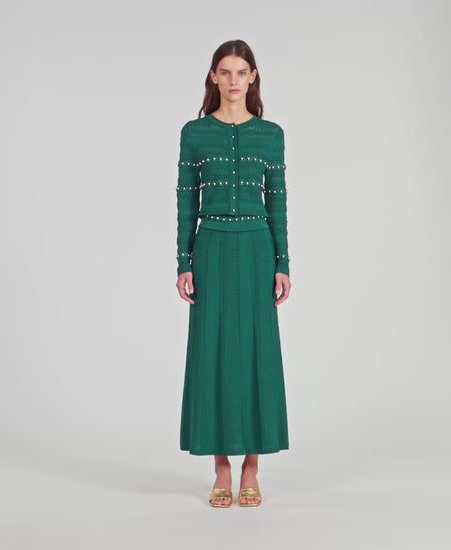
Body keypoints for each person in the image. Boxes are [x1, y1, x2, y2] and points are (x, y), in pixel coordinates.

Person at [175, 39, 291, 508]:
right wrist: (183, 261)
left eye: (241, 72)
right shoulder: (194, 132)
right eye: (225, 72)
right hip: (211, 249)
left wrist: (283, 263)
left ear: (253, 77)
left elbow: (277, 202)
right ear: (213, 77)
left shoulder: (271, 134)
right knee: (212, 354)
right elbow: (186, 200)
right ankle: (221, 467)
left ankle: (252, 468)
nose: (233, 80)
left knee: (257, 354)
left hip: (257, 249)